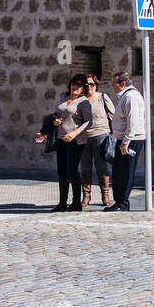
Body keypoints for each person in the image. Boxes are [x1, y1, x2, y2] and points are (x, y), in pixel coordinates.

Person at [38, 73, 90, 212]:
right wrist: (52, 124)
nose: (75, 86)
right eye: (73, 83)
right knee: (62, 171)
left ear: (83, 88)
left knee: (72, 171)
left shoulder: (84, 102)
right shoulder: (63, 97)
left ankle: (76, 203)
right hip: (61, 139)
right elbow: (57, 115)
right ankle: (62, 203)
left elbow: (88, 121)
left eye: (79, 85)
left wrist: (74, 133)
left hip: (76, 140)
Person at [106, 71, 146, 212]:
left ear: (123, 84)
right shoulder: (126, 96)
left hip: (131, 140)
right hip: (123, 139)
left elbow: (133, 121)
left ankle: (123, 204)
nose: (112, 86)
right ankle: (119, 202)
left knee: (126, 171)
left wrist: (126, 142)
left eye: (114, 83)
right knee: (118, 171)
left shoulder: (130, 97)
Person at [77, 73, 115, 208]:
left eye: (91, 84)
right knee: (85, 167)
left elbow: (113, 117)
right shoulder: (80, 100)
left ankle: (105, 194)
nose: (89, 87)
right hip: (84, 137)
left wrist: (115, 135)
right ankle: (86, 195)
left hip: (101, 136)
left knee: (101, 167)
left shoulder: (103, 97)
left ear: (96, 84)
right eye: (86, 85)